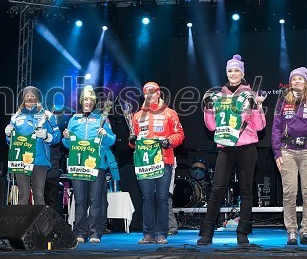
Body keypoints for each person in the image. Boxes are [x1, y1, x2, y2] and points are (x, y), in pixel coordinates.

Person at [197, 54, 266, 246]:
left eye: (236, 70)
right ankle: (207, 234)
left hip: (247, 147)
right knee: (217, 189)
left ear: (242, 73)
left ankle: (242, 233)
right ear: (226, 73)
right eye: (230, 70)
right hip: (225, 147)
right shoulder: (218, 95)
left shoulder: (250, 94)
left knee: (246, 190)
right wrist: (208, 110)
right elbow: (211, 127)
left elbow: (260, 127)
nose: (233, 73)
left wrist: (258, 107)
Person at [271, 67, 307, 245]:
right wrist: (277, 152)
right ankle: (291, 231)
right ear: (290, 82)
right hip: (287, 150)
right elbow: (276, 128)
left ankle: (305, 230)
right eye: (294, 79)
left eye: (300, 79)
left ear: (306, 82)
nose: (297, 82)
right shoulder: (282, 101)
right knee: (289, 193)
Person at [128, 82, 185, 244]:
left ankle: (161, 233)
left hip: (164, 160)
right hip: (145, 163)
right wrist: (131, 141)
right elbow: (134, 142)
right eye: (146, 93)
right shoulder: (137, 116)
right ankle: (148, 234)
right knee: (146, 198)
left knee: (161, 197)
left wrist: (169, 141)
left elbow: (180, 134)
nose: (149, 95)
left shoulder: (170, 113)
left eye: (152, 92)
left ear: (159, 93)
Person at [62, 85, 116, 244]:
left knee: (95, 200)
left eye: (90, 100)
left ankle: (95, 233)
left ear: (94, 102)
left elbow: (111, 140)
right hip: (78, 164)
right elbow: (67, 145)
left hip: (96, 165)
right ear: (81, 101)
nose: (88, 102)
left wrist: (105, 134)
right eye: (85, 99)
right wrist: (66, 137)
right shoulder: (74, 120)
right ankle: (79, 232)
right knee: (80, 200)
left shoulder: (102, 119)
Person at [5, 86, 61, 205]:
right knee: (23, 194)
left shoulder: (46, 115)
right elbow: (11, 143)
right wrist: (8, 135)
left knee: (38, 194)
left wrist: (47, 136)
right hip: (21, 160)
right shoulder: (15, 117)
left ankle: (40, 224)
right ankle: (22, 224)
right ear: (23, 98)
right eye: (27, 95)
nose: (30, 98)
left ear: (37, 98)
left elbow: (57, 136)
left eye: (32, 95)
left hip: (39, 160)